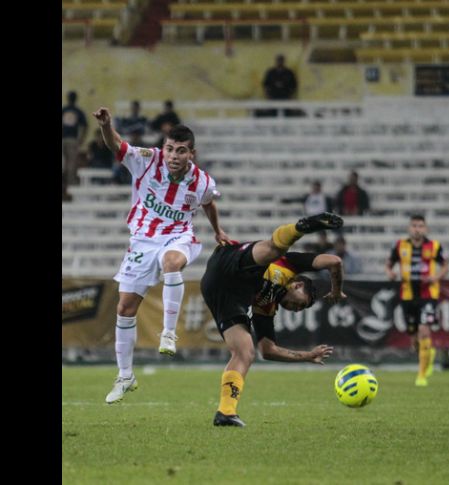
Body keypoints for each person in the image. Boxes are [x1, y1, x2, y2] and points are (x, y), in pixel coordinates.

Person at [92, 107, 231, 404]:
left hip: (177, 236)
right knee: (125, 309)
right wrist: (107, 125)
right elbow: (116, 144)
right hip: (142, 241)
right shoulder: (147, 160)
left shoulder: (202, 181)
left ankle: (168, 333)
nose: (173, 156)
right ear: (163, 148)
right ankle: (125, 376)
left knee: (172, 263)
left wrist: (218, 231)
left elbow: (208, 203)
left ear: (191, 154)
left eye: (181, 151)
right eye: (170, 149)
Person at [200, 212, 345, 427]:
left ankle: (226, 412)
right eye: (301, 303)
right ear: (297, 285)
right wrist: (336, 291)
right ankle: (301, 227)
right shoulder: (290, 267)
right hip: (228, 262)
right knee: (274, 250)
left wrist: (308, 356)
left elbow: (267, 350)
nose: (296, 310)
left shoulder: (266, 307)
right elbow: (334, 261)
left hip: (222, 292)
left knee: (245, 353)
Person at [385, 215, 449, 387]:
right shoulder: (400, 245)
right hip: (407, 296)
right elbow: (389, 264)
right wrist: (390, 272)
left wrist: (436, 277)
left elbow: (445, 266)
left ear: (425, 228)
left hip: (428, 295)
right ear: (409, 228)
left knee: (424, 331)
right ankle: (429, 353)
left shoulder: (434, 246)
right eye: (414, 225)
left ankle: (421, 375)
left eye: (420, 226)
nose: (417, 229)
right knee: (414, 339)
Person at [62, 90, 88, 190]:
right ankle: (69, 182)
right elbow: (85, 126)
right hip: (72, 139)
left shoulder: (64, 110)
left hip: (64, 138)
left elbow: (85, 125)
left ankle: (67, 184)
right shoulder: (78, 111)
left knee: (67, 163)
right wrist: (81, 139)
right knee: (71, 162)